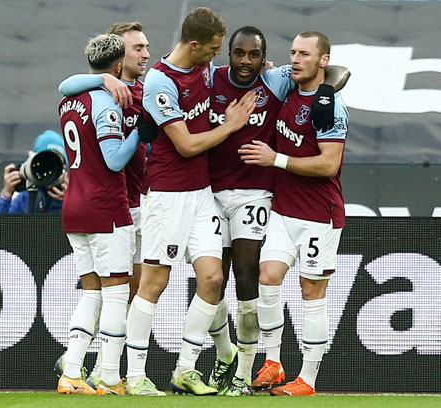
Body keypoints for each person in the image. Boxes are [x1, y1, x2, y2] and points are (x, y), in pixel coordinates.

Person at [205, 26, 351, 396]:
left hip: (320, 212)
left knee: (311, 290)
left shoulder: (331, 107)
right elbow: (328, 75)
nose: (296, 60)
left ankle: (308, 379)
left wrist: (277, 159)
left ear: (323, 60)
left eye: (305, 54)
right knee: (267, 278)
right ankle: (273, 361)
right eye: (294, 53)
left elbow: (329, 165)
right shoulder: (284, 89)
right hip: (284, 210)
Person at [123, 7, 255, 396]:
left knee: (213, 278)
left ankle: (185, 368)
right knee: (154, 282)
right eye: (213, 50)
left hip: (201, 195)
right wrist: (230, 125)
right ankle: (134, 376)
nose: (216, 57)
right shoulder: (160, 82)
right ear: (194, 44)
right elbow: (186, 144)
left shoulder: (201, 70)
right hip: (167, 194)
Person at [56, 21, 162, 396]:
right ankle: (111, 377)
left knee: (93, 293)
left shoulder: (70, 100)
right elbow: (115, 160)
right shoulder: (107, 102)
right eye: (136, 49)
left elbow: (65, 87)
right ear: (118, 65)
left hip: (75, 207)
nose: (145, 54)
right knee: (118, 294)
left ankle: (71, 369)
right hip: (107, 206)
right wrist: (140, 133)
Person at [0, 130, 68, 214]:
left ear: (64, 167)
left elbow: (81, 224)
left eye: (56, 162)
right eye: (45, 162)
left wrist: (70, 202)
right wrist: (6, 195)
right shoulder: (26, 196)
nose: (49, 167)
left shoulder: (74, 193)